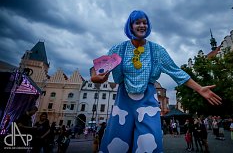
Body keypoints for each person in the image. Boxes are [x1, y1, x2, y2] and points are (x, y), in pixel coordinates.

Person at [91, 10, 222, 152]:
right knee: (116, 145)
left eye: (145, 22)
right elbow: (96, 69)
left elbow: (176, 72)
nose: (142, 25)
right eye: (138, 22)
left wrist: (199, 88)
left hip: (148, 101)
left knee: (149, 144)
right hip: (123, 101)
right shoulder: (118, 49)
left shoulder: (157, 50)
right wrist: (95, 77)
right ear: (130, 26)